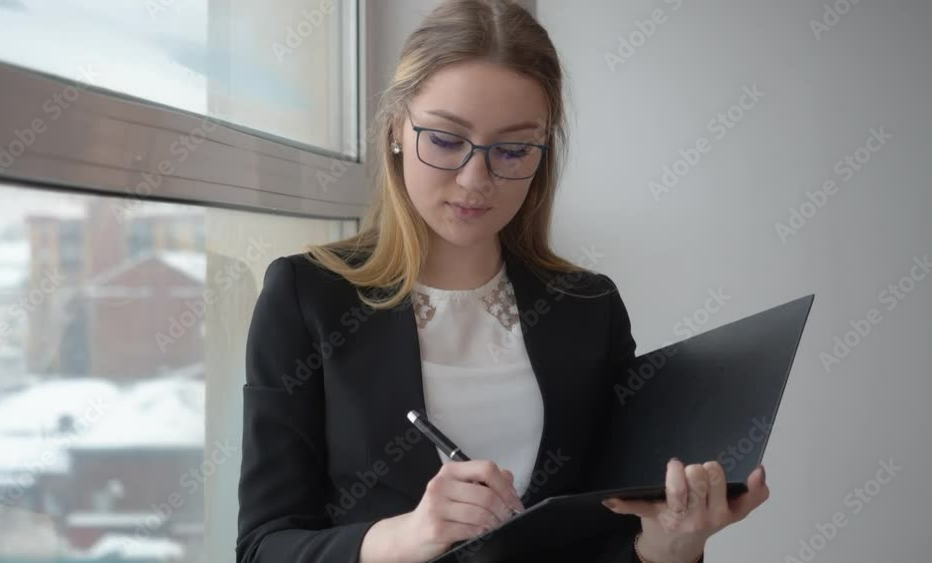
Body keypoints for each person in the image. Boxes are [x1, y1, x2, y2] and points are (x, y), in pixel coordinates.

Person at [236, 1, 769, 561]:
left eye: (513, 150)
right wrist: (408, 535)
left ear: (543, 153)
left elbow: (608, 533)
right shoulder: (306, 296)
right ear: (397, 128)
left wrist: (671, 544)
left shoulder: (588, 308)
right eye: (444, 140)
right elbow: (263, 547)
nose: (475, 180)